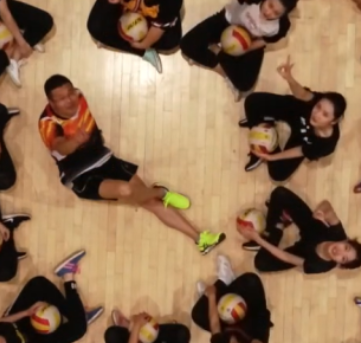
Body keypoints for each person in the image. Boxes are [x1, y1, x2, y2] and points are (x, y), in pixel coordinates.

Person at [39, 75, 225, 253]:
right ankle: (161, 192)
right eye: (62, 99)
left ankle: (200, 240)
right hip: (81, 175)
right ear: (51, 102)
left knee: (149, 202)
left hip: (106, 159)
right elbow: (60, 146)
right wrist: (74, 142)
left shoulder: (79, 96)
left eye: (70, 93)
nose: (70, 100)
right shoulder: (47, 123)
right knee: (126, 190)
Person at [181, 0, 301, 97]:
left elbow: (264, 41)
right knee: (186, 44)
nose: (268, 12)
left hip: (249, 39)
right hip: (227, 22)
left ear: (283, 15)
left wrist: (244, 49)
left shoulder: (282, 26)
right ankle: (224, 71)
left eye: (276, 13)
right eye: (270, 5)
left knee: (245, 85)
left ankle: (216, 51)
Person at [240, 59, 346, 179]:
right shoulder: (320, 100)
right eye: (318, 107)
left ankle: (265, 136)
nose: (317, 114)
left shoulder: (326, 145)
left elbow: (301, 150)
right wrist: (289, 78)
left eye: (325, 114)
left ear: (333, 121)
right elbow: (302, 94)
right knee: (252, 101)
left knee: (278, 174)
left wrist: (271, 157)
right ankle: (265, 124)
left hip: (301, 139)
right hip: (295, 111)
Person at [239, 186, 361, 274]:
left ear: (339, 264)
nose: (339, 252)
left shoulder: (318, 266)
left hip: (299, 252)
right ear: (345, 240)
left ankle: (277, 230)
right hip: (309, 226)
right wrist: (318, 212)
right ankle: (279, 223)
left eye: (343, 258)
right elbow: (326, 204)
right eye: (346, 248)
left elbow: (286, 257)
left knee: (261, 264)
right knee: (279, 193)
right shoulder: (338, 234)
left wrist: (258, 239)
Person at [190, 255, 273, 343]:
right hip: (250, 311)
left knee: (197, 315)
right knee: (251, 280)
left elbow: (215, 325)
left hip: (226, 319)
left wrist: (212, 297)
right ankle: (225, 280)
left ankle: (221, 288)